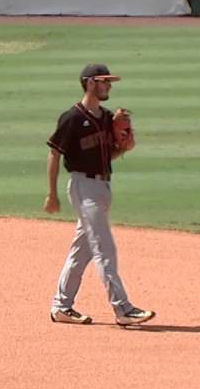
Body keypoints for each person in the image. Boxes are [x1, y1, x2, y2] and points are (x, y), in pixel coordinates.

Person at [44, 63, 155, 327]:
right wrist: (52, 194)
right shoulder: (71, 118)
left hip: (103, 187)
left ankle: (61, 306)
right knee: (104, 248)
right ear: (90, 82)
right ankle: (123, 308)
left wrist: (125, 146)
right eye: (104, 81)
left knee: (81, 251)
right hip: (83, 188)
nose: (109, 86)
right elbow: (54, 153)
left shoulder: (106, 118)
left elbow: (110, 154)